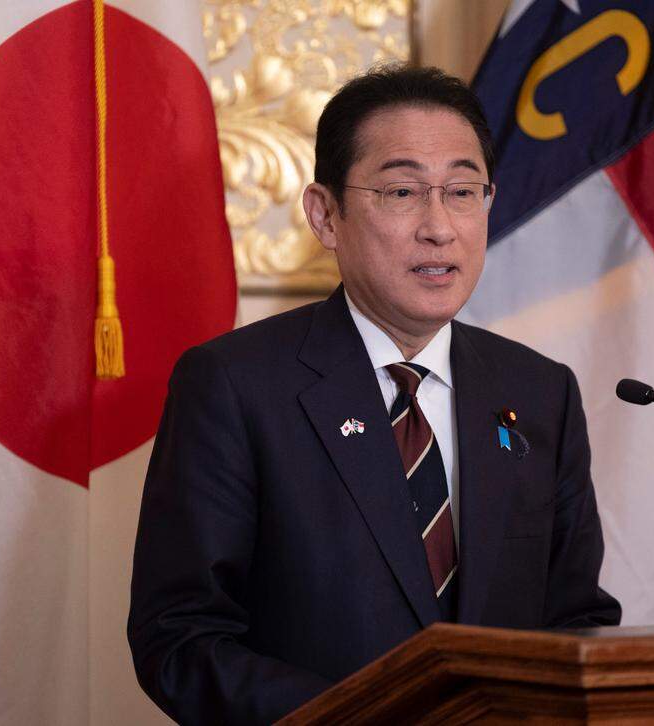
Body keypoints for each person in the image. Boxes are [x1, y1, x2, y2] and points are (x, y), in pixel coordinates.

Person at [129, 64, 621, 725]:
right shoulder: (235, 385)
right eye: (401, 192)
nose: (440, 227)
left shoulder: (539, 391)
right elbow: (181, 638)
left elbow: (576, 620)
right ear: (325, 215)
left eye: (463, 191)